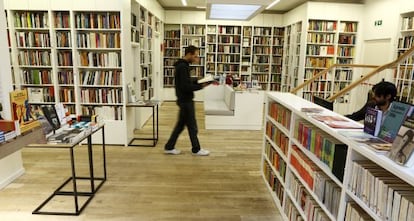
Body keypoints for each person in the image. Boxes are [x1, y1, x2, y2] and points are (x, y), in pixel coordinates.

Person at [164, 45, 211, 156]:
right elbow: (185, 87)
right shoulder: (183, 67)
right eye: (195, 56)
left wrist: (197, 81)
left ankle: (169, 146)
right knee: (192, 126)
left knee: (181, 126)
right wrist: (201, 86)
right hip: (185, 101)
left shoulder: (182, 66)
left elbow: (186, 82)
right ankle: (196, 149)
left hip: (184, 100)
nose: (196, 58)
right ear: (189, 54)